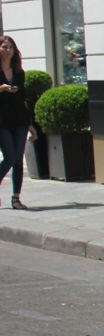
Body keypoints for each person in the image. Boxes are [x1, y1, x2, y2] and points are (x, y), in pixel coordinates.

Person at [0, 36, 29, 209]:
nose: (8, 50)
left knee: (18, 159)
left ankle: (16, 198)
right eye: (4, 46)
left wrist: (30, 123)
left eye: (10, 47)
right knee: (9, 157)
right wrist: (2, 88)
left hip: (19, 119)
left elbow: (23, 97)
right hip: (2, 120)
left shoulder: (19, 72)